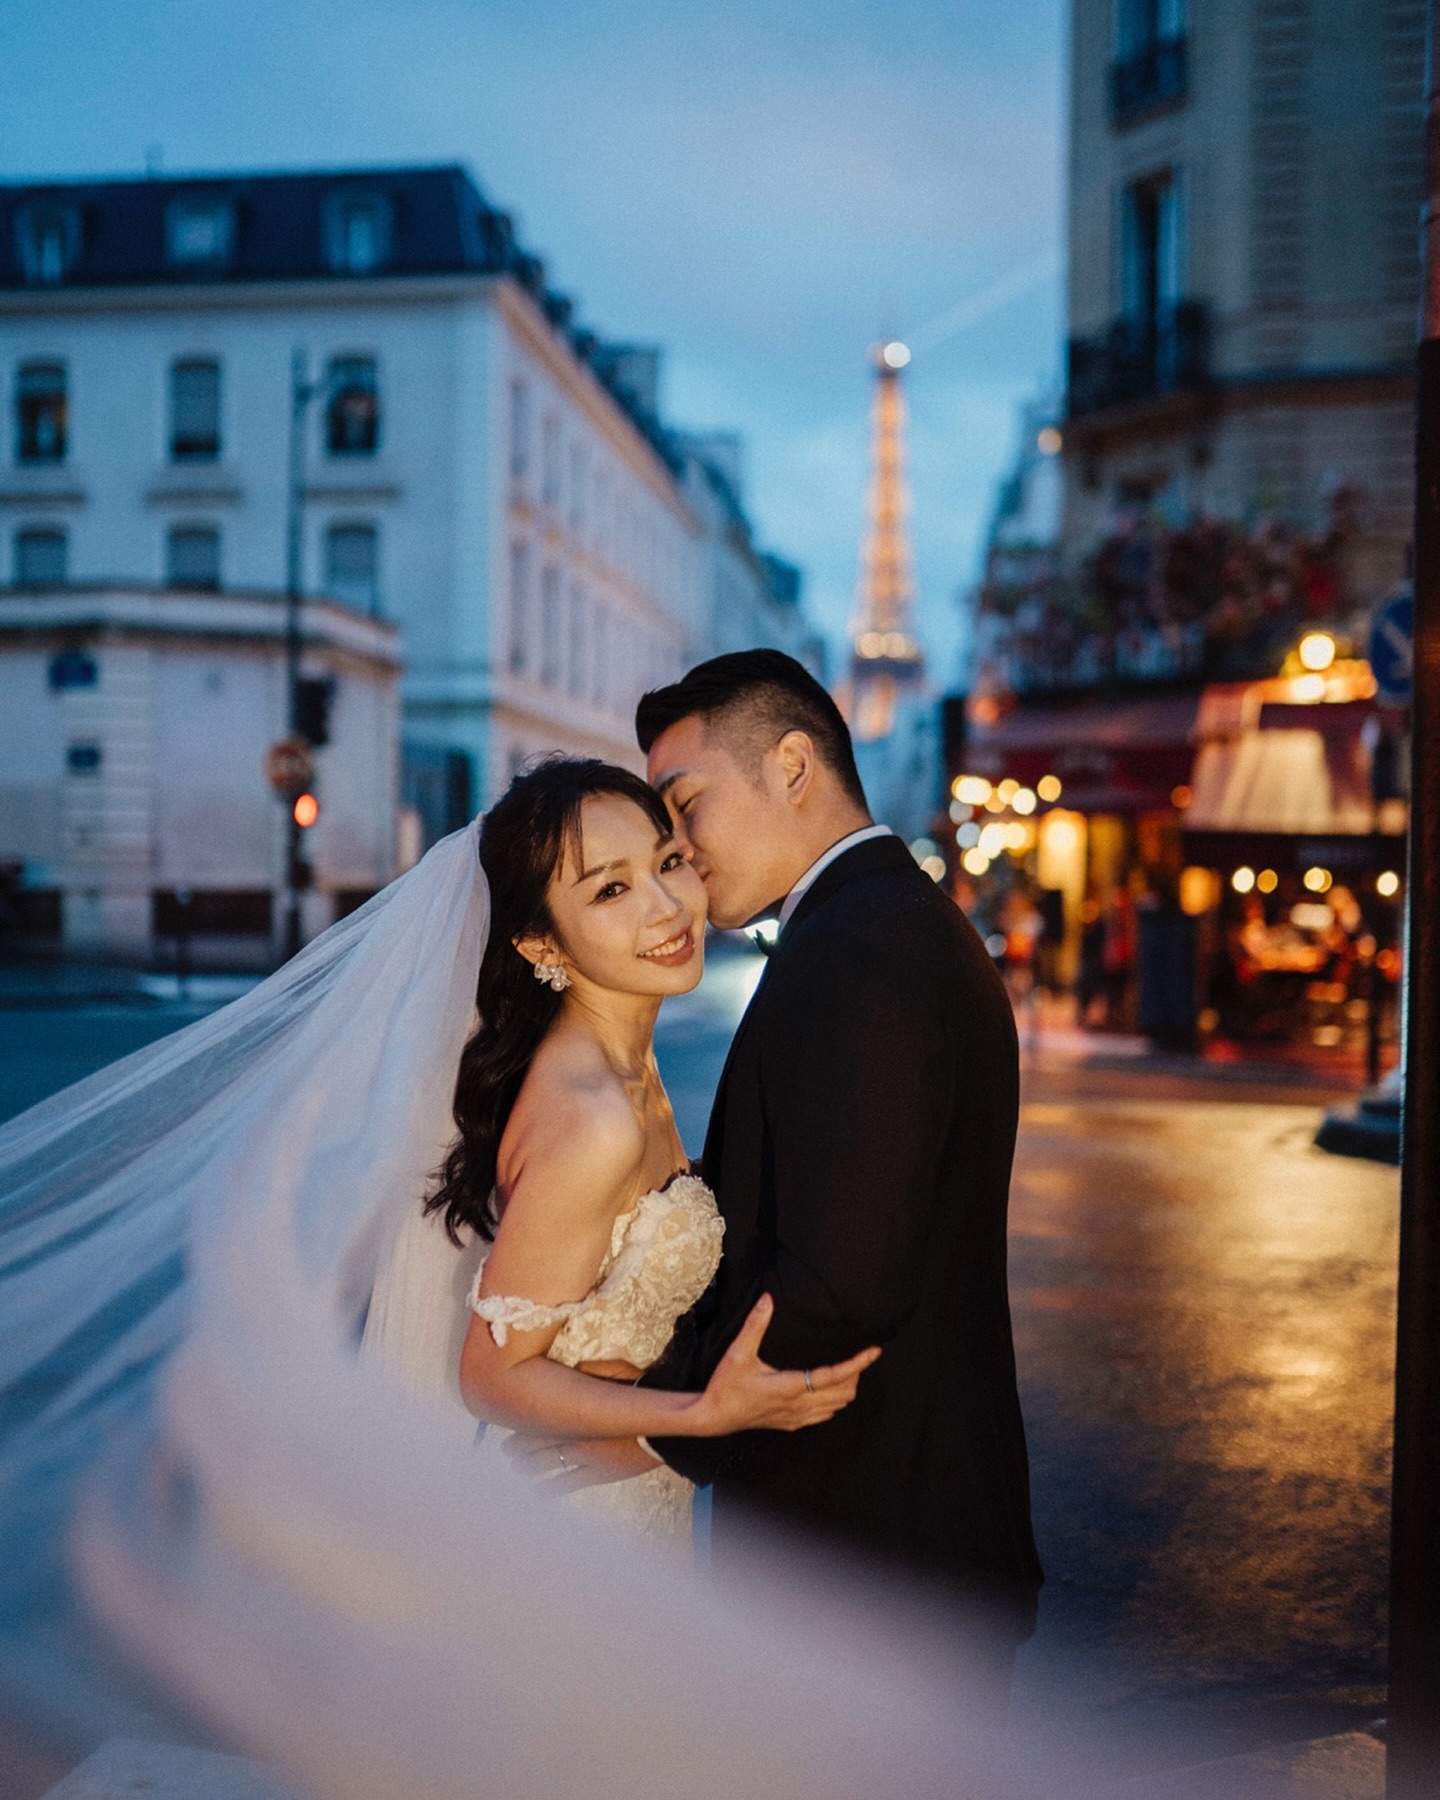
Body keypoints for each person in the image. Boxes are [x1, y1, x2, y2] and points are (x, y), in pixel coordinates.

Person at [555, 650, 1042, 1667]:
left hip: (868, 1560)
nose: (679, 849)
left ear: (791, 766)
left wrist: (658, 1426)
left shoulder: (857, 952)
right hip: (899, 1541)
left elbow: (840, 1285)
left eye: (686, 806)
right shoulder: (883, 924)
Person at [362, 756, 878, 1542]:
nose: (668, 907)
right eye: (611, 890)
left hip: (623, 1498)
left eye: (667, 862)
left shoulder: (626, 1063)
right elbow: (492, 1376)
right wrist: (698, 1415)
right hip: (572, 1530)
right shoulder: (594, 1119)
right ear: (541, 945)